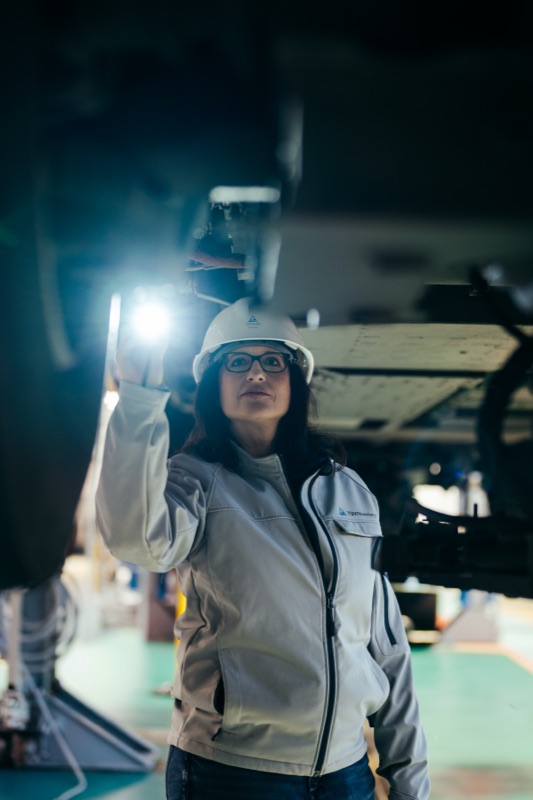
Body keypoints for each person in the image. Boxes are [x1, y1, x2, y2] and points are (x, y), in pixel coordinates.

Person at [95, 297, 430, 800]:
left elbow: (385, 645)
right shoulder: (196, 483)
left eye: (273, 360)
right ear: (215, 384)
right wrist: (140, 395)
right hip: (233, 771)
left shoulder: (349, 491)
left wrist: (409, 778)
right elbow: (136, 539)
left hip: (346, 771)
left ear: (296, 380)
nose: (256, 373)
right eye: (237, 361)